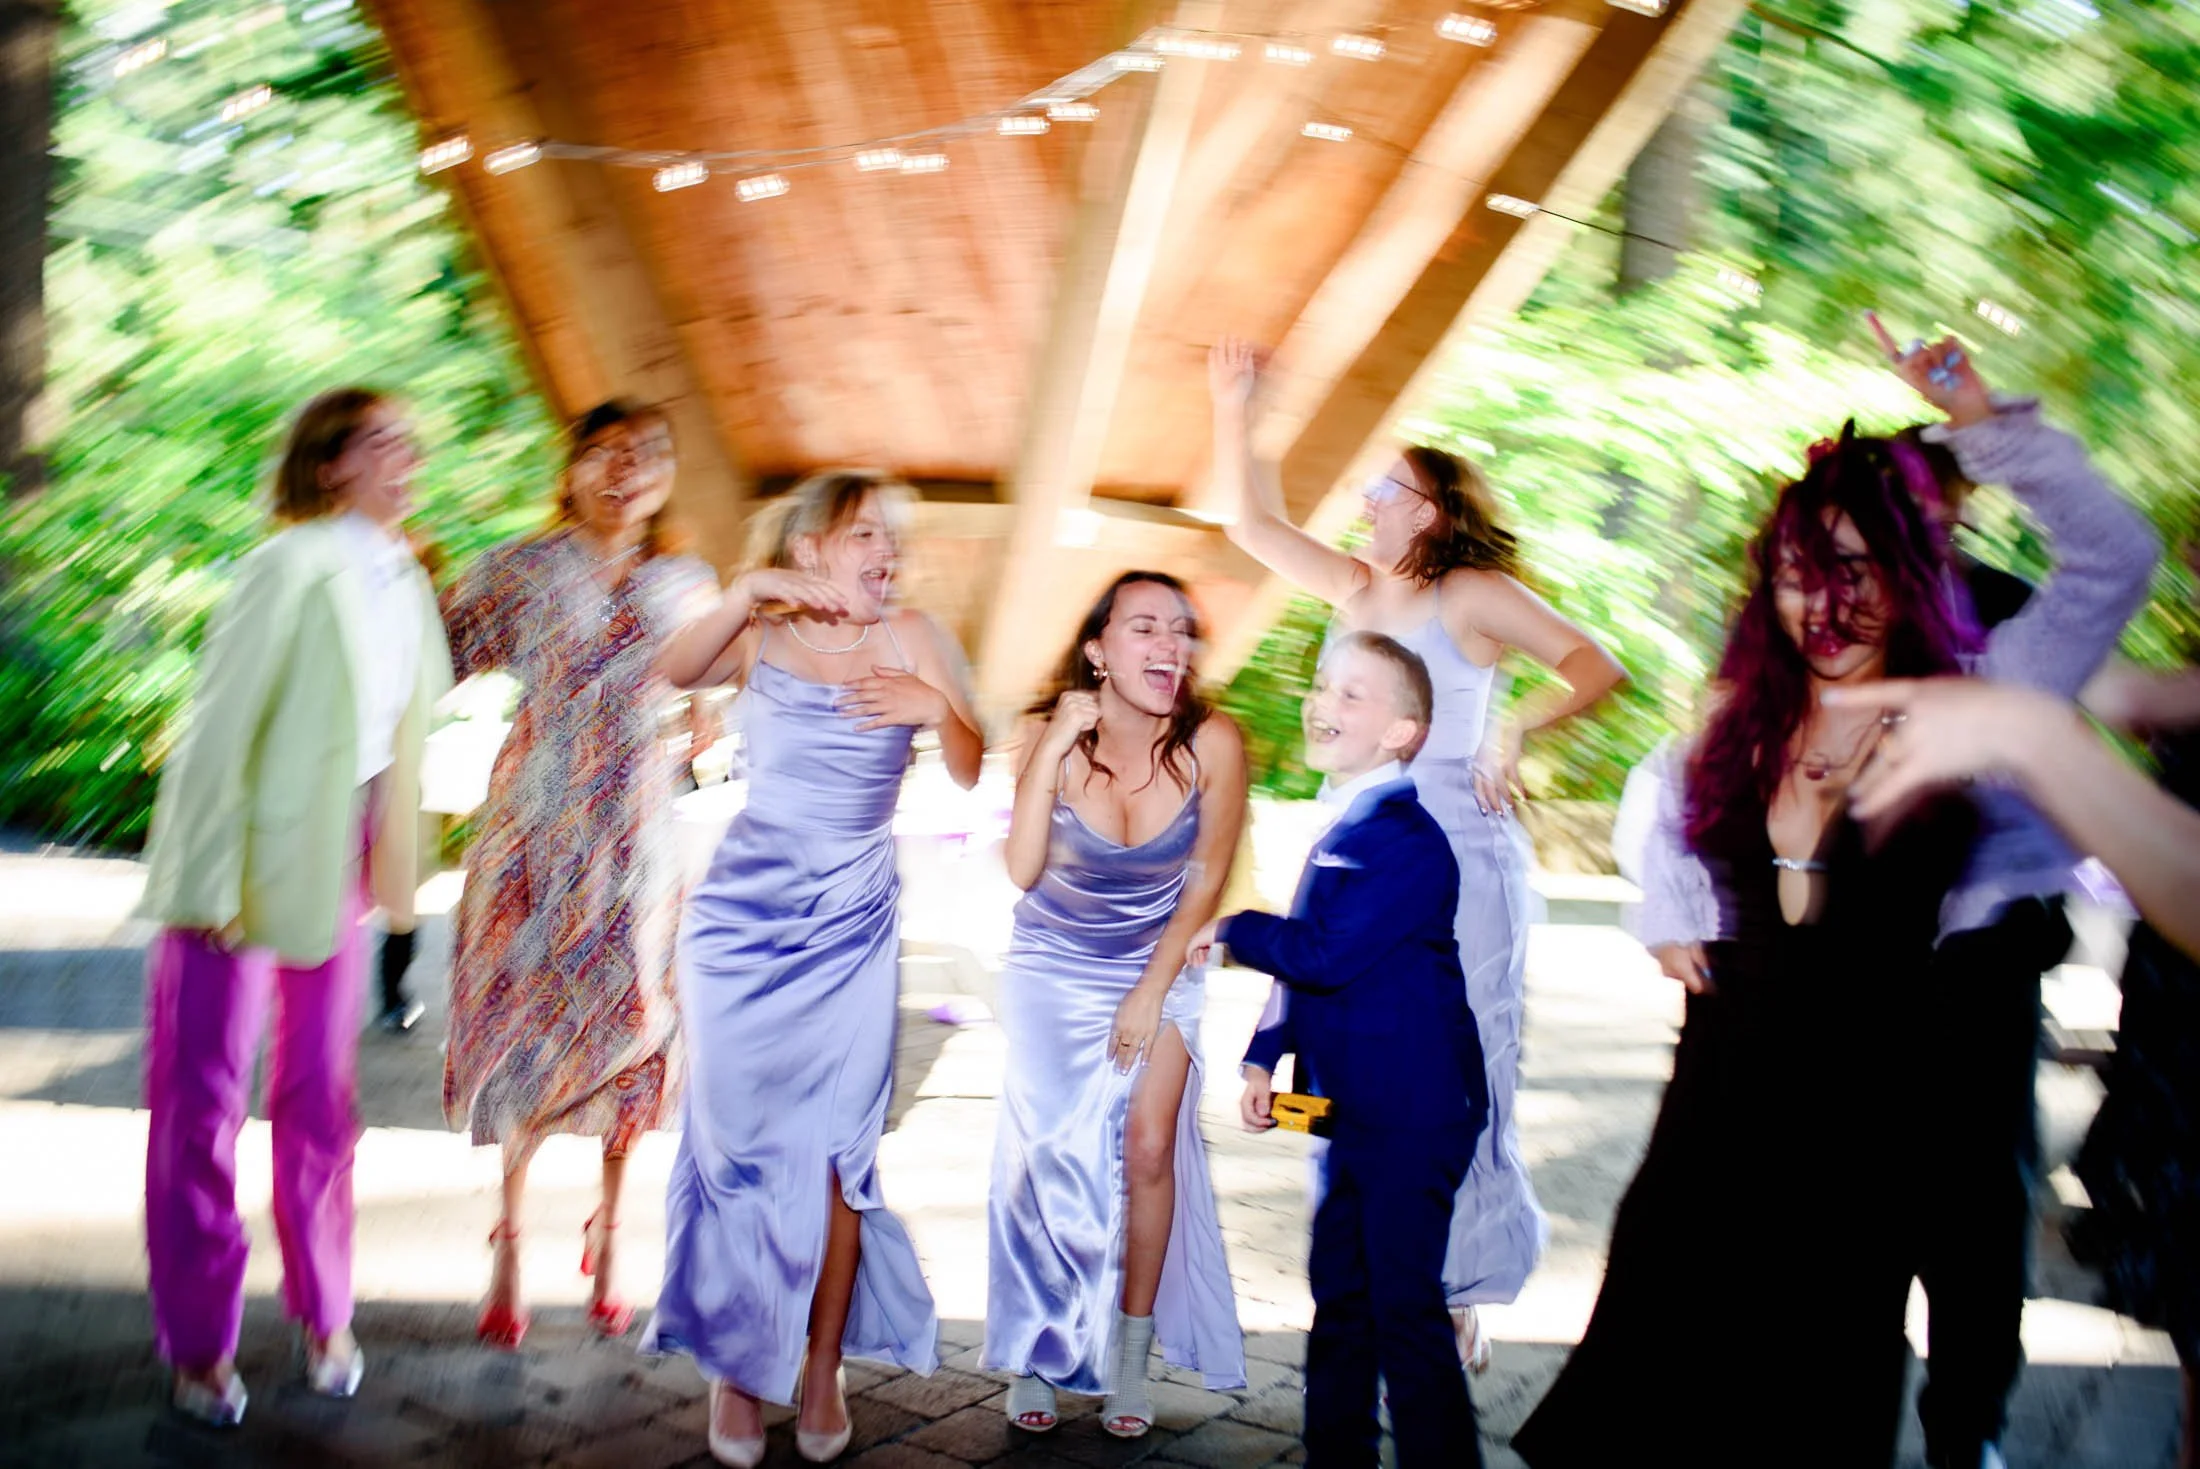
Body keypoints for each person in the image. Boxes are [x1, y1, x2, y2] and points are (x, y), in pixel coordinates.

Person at [1513, 327, 2157, 1467]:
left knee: (1890, 1309)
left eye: (1857, 566)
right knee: (1655, 1385)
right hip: (1717, 1110)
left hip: (1886, 1092)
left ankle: (1968, 1427)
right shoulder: (1749, 702)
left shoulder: (1974, 688)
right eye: (1799, 568)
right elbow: (1672, 798)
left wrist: (1983, 426)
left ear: (1916, 564)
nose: (1824, 599)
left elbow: (2114, 557)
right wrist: (1671, 908)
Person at [1208, 339, 1624, 1366]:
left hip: (1460, 865)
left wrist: (1515, 726)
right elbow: (1248, 523)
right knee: (1352, 1063)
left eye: (1382, 489)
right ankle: (1377, 1268)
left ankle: (1457, 1283)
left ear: (1429, 511)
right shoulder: (1354, 588)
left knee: (1465, 1064)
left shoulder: (1468, 592)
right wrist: (1235, 408)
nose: (1363, 502)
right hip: (1360, 864)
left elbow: (1592, 664)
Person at [645, 469, 985, 1468]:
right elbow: (673, 668)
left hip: (852, 922)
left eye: (892, 535)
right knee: (735, 1145)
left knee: (840, 1154)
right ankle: (736, 1370)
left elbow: (972, 762)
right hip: (742, 926)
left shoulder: (914, 634)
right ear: (808, 548)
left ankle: (822, 1362)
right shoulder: (761, 633)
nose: (888, 549)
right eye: (864, 532)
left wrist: (936, 704)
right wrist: (746, 591)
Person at [136, 388, 452, 1425]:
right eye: (381, 441)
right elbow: (219, 727)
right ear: (330, 466)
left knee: (321, 1098)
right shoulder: (286, 564)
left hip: (340, 861)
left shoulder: (406, 576)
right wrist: (207, 882)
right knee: (203, 1100)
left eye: (411, 440)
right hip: (240, 865)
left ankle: (326, 1312)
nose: (407, 455)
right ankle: (198, 1340)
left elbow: (402, 736)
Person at [438, 400, 718, 1349]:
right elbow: (434, 652)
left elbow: (715, 694)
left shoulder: (689, 583)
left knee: (631, 1020)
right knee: (525, 1020)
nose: (623, 470)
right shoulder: (521, 567)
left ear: (667, 475)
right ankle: (510, 1238)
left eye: (645, 454)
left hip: (636, 836)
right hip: (533, 830)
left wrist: (708, 715)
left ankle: (611, 1226)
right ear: (570, 469)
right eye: (603, 452)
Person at [1189, 631, 1490, 1468]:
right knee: (1342, 1296)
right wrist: (1264, 1057)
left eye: (1351, 694)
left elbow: (1321, 953)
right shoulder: (1346, 822)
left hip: (1417, 1112)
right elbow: (1311, 959)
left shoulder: (1406, 840)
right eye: (1322, 686)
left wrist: (1230, 925)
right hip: (1351, 1108)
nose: (1323, 702)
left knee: (1403, 1305)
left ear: (1401, 731)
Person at [985, 572, 1249, 1437]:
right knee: (1044, 1155)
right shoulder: (1048, 733)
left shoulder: (1212, 740)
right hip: (1053, 966)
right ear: (1098, 650)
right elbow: (1022, 869)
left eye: (1181, 628)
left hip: (1160, 960)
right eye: (1145, 627)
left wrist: (1150, 988)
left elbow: (1206, 877)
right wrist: (1053, 744)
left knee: (1148, 1146)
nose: (1170, 644)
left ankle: (1129, 1358)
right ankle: (1035, 1349)